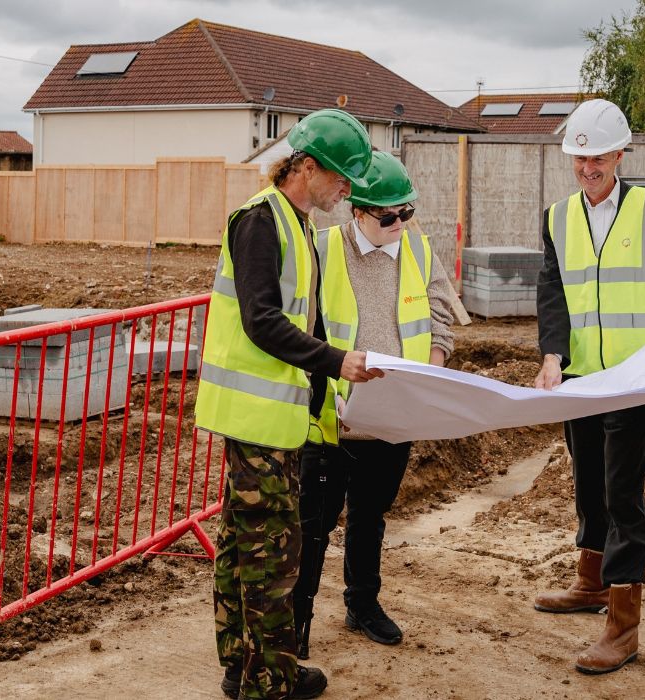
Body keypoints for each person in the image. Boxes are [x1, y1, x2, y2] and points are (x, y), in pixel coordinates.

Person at [194, 108, 382, 700]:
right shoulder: (260, 222)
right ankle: (268, 681)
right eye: (343, 178)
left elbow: (305, 318)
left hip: (273, 415)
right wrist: (335, 361)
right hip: (255, 418)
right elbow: (261, 321)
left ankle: (241, 664)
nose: (348, 189)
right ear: (307, 167)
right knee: (273, 553)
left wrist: (332, 392)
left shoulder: (296, 224)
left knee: (245, 543)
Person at [533, 98, 645, 675]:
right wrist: (551, 354)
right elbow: (553, 290)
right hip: (583, 377)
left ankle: (623, 623)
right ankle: (590, 583)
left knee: (622, 496)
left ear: (618, 153)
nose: (588, 166)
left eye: (598, 156)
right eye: (579, 157)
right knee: (588, 483)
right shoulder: (557, 217)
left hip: (637, 379)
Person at [292, 152, 457, 657]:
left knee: (371, 517)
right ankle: (295, 619)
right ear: (355, 211)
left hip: (392, 420)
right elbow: (299, 332)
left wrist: (430, 368)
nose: (400, 224)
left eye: (406, 213)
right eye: (388, 217)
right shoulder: (320, 250)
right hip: (331, 421)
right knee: (313, 527)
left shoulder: (419, 250)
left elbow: (439, 318)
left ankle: (362, 604)